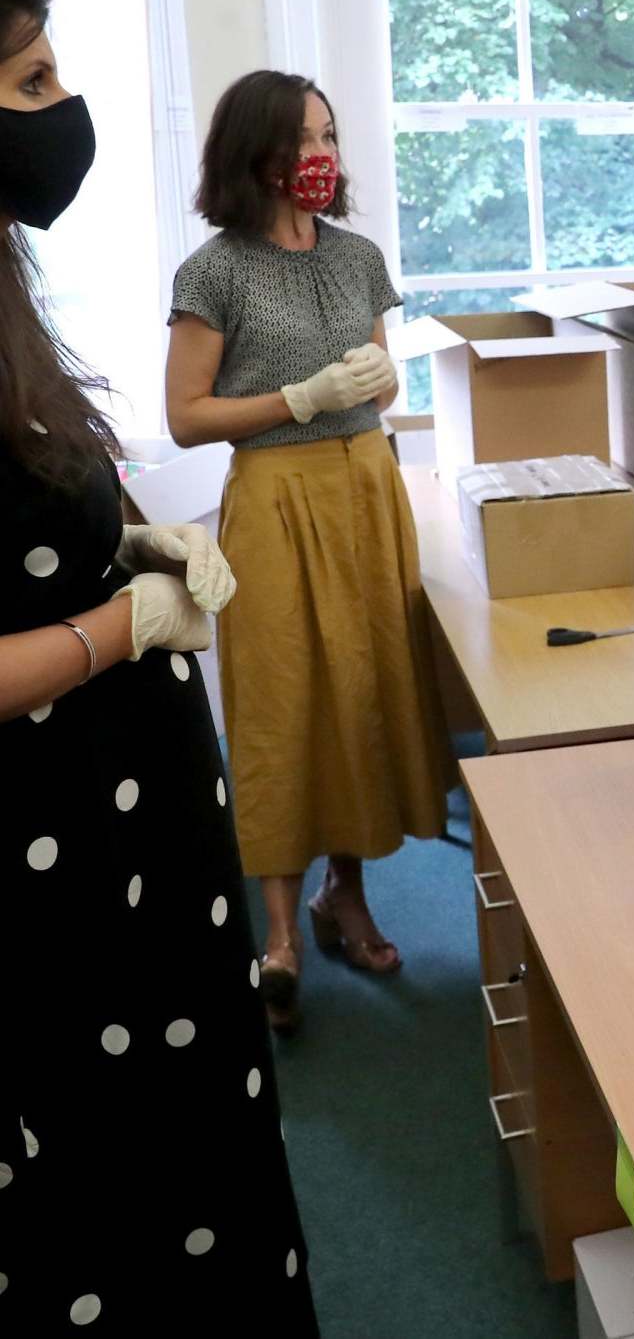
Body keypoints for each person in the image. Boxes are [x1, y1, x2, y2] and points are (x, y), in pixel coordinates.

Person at [0, 0, 319, 1329]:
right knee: (102, 1195)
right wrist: (117, 622)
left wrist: (132, 551)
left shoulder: (9, 288)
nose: (60, 106)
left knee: (189, 1162)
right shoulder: (213, 269)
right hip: (58, 862)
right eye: (32, 78)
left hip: (135, 843)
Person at [166, 70, 454, 1027]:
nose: (321, 157)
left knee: (363, 690)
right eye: (302, 140)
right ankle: (281, 933)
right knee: (285, 699)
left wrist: (376, 382)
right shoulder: (214, 271)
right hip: (277, 499)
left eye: (329, 136)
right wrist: (298, 398)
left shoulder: (359, 257)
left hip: (365, 489)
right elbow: (184, 414)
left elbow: (382, 390)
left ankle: (349, 893)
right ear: (254, 154)